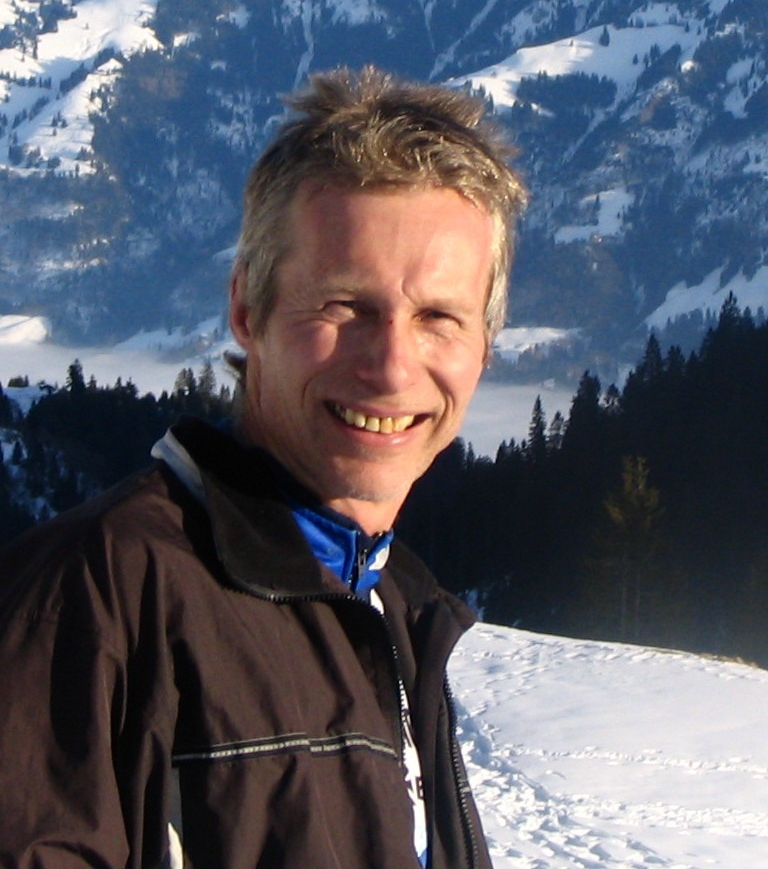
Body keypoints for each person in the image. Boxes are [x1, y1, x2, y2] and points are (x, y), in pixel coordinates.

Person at [0, 66, 527, 868]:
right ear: (248, 309)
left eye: (439, 317)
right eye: (346, 306)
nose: (392, 367)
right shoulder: (93, 601)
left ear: (484, 346)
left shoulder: (394, 609)